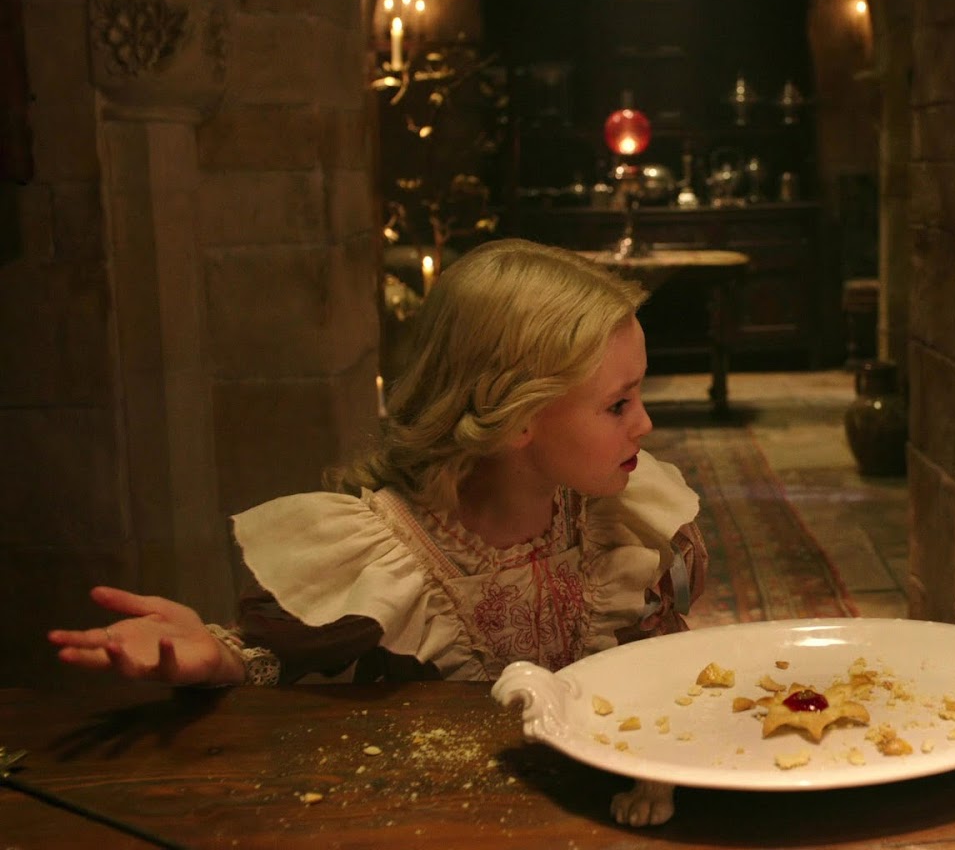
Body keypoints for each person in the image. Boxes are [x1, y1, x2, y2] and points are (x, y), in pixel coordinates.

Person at [47, 238, 708, 826]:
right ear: (515, 419)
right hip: (450, 819)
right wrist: (216, 658)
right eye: (618, 404)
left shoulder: (610, 515)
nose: (644, 424)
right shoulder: (390, 552)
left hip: (597, 808)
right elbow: (276, 661)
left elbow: (653, 662)